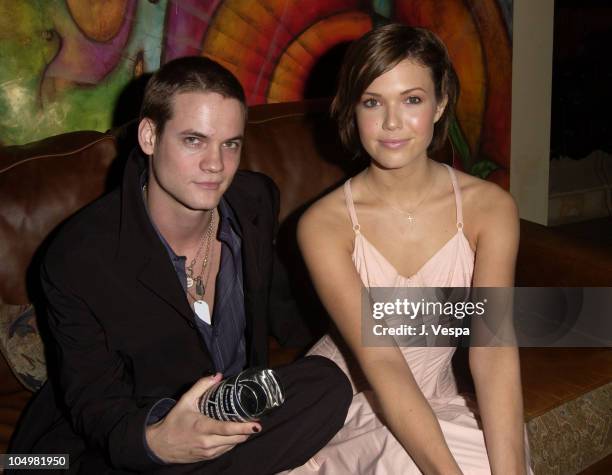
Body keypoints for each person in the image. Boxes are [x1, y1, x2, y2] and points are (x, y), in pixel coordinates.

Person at [9, 56, 351, 474]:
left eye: (231, 143)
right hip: (124, 437)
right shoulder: (77, 257)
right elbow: (94, 405)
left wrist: (427, 312)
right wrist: (160, 442)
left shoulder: (253, 201)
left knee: (328, 384)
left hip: (231, 414)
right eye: (194, 140)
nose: (216, 164)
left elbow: (291, 309)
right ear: (149, 136)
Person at [290, 24, 532, 474]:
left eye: (412, 99)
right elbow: (382, 362)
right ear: (351, 109)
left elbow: (493, 350)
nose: (391, 123)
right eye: (372, 102)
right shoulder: (323, 225)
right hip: (349, 399)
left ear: (440, 103)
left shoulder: (490, 208)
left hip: (438, 395)